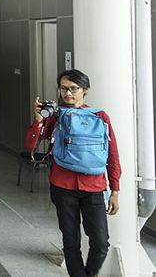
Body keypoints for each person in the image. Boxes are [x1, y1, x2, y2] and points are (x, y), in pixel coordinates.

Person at [25, 69, 120, 277]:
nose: (68, 93)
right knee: (70, 240)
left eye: (74, 89)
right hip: (63, 187)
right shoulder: (55, 117)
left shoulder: (100, 116)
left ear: (84, 90)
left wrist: (115, 189)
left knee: (101, 242)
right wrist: (39, 120)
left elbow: (112, 154)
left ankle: (90, 273)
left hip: (95, 187)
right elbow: (31, 143)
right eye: (64, 88)